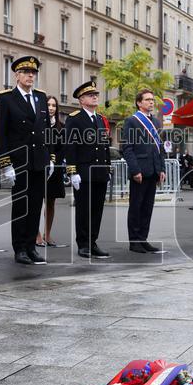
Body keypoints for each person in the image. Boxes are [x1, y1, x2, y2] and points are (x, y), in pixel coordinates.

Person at [0, 56, 52, 265]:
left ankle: (31, 246)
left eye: (33, 73)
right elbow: (1, 134)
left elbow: (46, 131)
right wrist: (5, 163)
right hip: (19, 162)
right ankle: (19, 248)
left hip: (38, 161)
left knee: (36, 205)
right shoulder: (6, 99)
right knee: (21, 206)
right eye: (26, 72)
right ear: (16, 75)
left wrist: (50, 157)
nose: (30, 76)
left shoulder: (40, 97)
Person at [64, 80, 112, 259]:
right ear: (81, 99)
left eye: (96, 94)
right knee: (84, 209)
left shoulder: (100, 119)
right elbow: (70, 146)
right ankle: (83, 244)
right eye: (90, 95)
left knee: (97, 210)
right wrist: (72, 171)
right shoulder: (75, 118)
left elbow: (104, 146)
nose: (95, 97)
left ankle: (93, 242)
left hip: (99, 172)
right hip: (83, 172)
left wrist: (107, 167)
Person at [120, 89, 165, 253]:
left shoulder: (157, 122)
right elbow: (127, 148)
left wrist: (162, 168)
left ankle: (143, 239)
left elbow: (160, 148)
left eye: (152, 100)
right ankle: (134, 241)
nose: (151, 102)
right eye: (147, 100)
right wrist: (135, 170)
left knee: (147, 207)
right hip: (139, 171)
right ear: (139, 102)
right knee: (136, 207)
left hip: (153, 171)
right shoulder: (131, 121)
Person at [38, 95, 67, 248]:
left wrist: (54, 161)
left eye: (53, 105)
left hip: (54, 170)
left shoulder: (61, 127)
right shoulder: (39, 124)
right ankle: (37, 236)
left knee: (50, 202)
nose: (51, 108)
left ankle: (47, 234)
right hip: (39, 168)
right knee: (37, 202)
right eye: (48, 105)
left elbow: (63, 148)